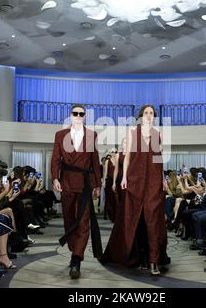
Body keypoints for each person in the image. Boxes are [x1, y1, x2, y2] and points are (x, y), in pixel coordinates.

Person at [101, 105, 169, 276]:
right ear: (141, 116)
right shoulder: (132, 131)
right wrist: (124, 177)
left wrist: (163, 179)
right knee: (136, 220)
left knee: (153, 219)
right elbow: (129, 156)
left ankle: (154, 260)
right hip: (135, 178)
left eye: (151, 113)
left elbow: (159, 159)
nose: (148, 115)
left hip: (153, 180)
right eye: (145, 113)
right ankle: (140, 257)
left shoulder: (158, 134)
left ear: (154, 116)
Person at [51, 104, 102, 279]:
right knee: (69, 220)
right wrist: (55, 178)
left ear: (85, 116)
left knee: (83, 222)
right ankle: (75, 250)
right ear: (71, 115)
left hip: (85, 185)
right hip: (66, 183)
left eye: (81, 113)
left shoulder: (91, 135)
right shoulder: (60, 135)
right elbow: (56, 158)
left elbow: (95, 160)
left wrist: (98, 184)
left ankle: (76, 259)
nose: (78, 115)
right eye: (75, 113)